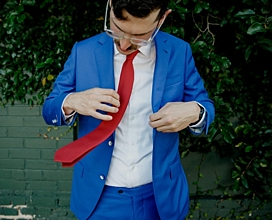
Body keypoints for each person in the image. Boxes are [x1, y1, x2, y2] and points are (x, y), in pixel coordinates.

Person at [41, 0, 215, 219]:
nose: (124, 44)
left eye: (140, 36)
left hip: (162, 197)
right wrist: (72, 101)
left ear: (163, 18)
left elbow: (205, 107)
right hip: (99, 198)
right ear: (110, 6)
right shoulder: (83, 52)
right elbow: (50, 108)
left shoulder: (179, 51)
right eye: (118, 29)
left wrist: (195, 112)